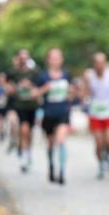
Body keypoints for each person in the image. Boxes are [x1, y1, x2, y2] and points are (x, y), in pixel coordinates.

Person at [36, 48, 73, 185]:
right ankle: (51, 165)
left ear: (62, 59)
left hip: (63, 112)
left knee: (61, 140)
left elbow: (71, 93)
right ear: (48, 60)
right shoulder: (42, 76)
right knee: (51, 143)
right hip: (49, 113)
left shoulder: (67, 75)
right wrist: (44, 89)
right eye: (53, 57)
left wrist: (71, 93)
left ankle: (62, 172)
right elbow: (34, 94)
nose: (56, 60)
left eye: (58, 57)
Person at [85, 53, 109, 179]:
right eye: (97, 63)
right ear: (94, 64)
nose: (100, 66)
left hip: (108, 112)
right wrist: (85, 99)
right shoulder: (89, 75)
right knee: (99, 143)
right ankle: (100, 163)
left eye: (102, 63)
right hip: (95, 112)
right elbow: (85, 91)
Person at [7, 50, 40, 172]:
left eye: (25, 58)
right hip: (19, 106)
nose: (23, 60)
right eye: (21, 58)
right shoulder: (13, 73)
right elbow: (8, 87)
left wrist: (30, 86)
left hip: (32, 106)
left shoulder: (35, 73)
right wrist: (15, 88)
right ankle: (24, 157)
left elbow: (40, 88)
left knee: (29, 132)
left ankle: (28, 152)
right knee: (23, 130)